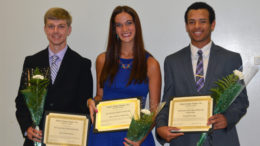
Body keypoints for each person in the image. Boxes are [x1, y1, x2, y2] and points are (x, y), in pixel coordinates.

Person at [156, 2, 249, 146]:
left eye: (202, 22)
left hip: (222, 140)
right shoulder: (172, 61)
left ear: (212, 24)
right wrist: (160, 127)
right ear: (187, 26)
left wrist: (227, 118)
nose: (197, 26)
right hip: (183, 140)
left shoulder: (231, 58)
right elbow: (167, 100)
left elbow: (241, 100)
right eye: (192, 22)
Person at [15, 7, 93, 146]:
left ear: (69, 30)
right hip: (36, 139)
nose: (56, 31)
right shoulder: (32, 62)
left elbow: (84, 107)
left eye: (61, 26)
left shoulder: (82, 65)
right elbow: (21, 102)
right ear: (45, 29)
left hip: (67, 141)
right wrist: (27, 128)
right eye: (51, 26)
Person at [87, 5, 161, 146]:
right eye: (119, 25)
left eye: (129, 23)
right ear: (114, 30)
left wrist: (141, 137)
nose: (125, 29)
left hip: (134, 139)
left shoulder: (151, 64)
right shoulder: (102, 60)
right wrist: (90, 101)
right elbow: (99, 96)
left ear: (136, 26)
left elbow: (154, 110)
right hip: (103, 137)